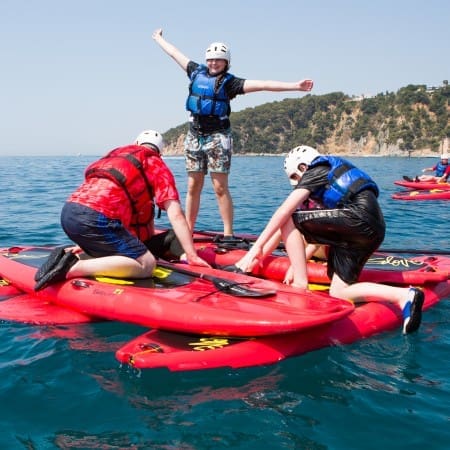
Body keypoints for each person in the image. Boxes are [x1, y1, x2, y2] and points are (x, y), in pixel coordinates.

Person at [232, 145, 424, 334]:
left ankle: (300, 284)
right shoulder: (327, 179)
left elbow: (284, 212)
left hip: (357, 220)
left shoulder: (317, 170)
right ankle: (405, 296)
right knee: (339, 292)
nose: (297, 183)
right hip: (371, 231)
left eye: (295, 178)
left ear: (302, 167)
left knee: (289, 216)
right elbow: (317, 234)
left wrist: (254, 251)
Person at [152, 28, 314, 240]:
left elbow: (264, 85)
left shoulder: (231, 83)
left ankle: (228, 234)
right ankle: (187, 231)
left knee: (220, 187)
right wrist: (159, 39)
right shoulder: (195, 72)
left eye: (218, 60)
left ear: (226, 62)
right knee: (193, 186)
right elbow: (175, 53)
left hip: (218, 136)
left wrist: (296, 86)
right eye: (210, 59)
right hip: (194, 135)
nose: (213, 63)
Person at [34, 130, 210, 291]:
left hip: (69, 213)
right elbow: (176, 214)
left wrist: (86, 242)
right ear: (160, 153)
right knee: (147, 265)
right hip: (97, 218)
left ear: (135, 143)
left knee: (120, 245)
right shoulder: (156, 165)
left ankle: (72, 257)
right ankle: (72, 268)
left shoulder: (114, 155)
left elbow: (97, 193)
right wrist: (192, 255)